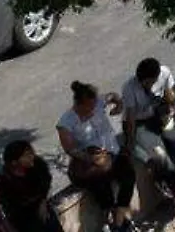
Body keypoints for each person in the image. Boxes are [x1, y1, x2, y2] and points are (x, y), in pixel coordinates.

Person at [55, 82, 135, 232]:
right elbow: (70, 149)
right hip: (91, 161)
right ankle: (112, 219)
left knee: (128, 177)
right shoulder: (66, 122)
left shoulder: (98, 102)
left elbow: (113, 96)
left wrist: (118, 105)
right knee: (102, 186)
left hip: (113, 153)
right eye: (88, 106)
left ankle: (119, 218)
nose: (93, 109)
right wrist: (90, 158)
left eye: (94, 104)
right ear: (79, 104)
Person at [119, 58, 175, 209]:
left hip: (159, 115)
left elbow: (170, 95)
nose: (147, 85)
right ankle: (172, 184)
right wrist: (131, 140)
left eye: (150, 82)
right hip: (139, 123)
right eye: (144, 82)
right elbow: (130, 117)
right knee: (159, 155)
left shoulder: (164, 73)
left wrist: (169, 109)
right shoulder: (129, 88)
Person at [0, 142, 57, 232]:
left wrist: (43, 201)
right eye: (26, 155)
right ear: (14, 162)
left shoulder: (38, 166)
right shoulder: (3, 180)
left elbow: (45, 183)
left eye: (31, 153)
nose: (32, 157)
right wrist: (6, 224)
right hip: (19, 216)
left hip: (39, 207)